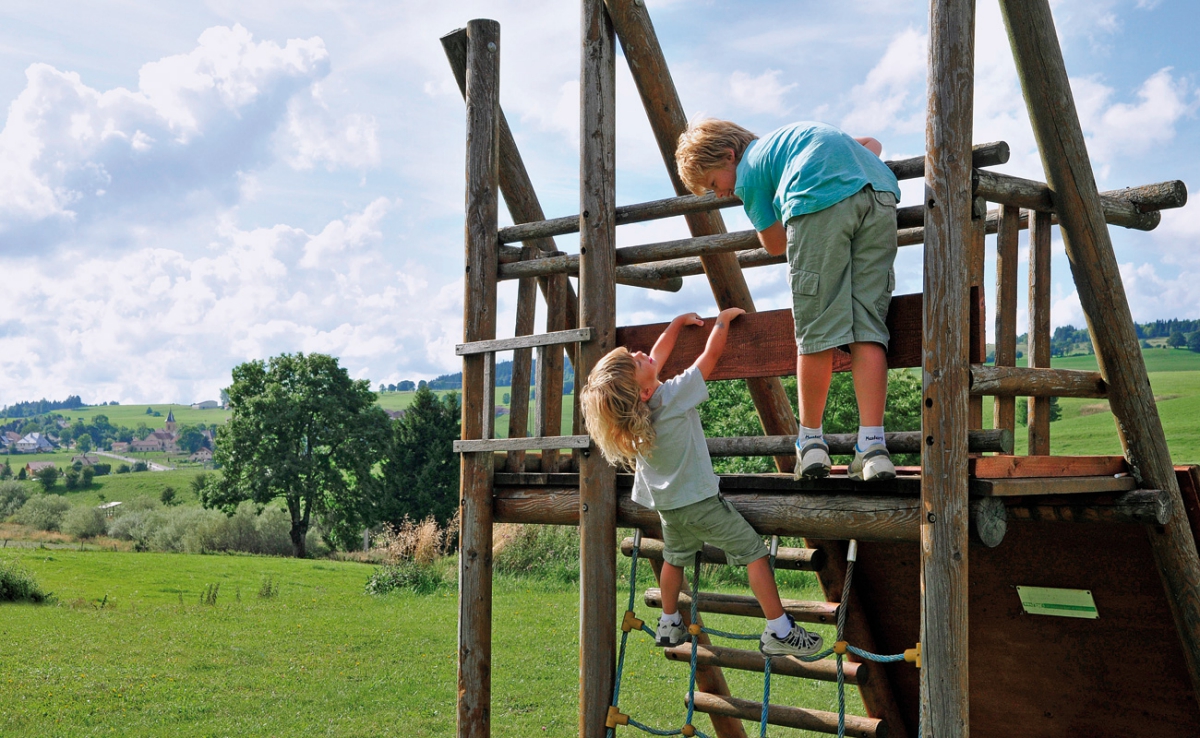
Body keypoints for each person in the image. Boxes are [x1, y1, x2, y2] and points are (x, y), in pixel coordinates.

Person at [580, 309, 823, 657]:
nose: (639, 353)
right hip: (701, 504)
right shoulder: (674, 396)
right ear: (644, 390)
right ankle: (779, 629)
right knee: (753, 553)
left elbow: (655, 359)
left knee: (674, 558)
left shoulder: (638, 416)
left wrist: (677, 325)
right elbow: (710, 356)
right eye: (634, 361)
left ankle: (668, 622)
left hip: (669, 509)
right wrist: (722, 322)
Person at [675, 119, 900, 482]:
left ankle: (811, 443)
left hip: (817, 203)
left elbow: (775, 243)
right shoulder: (792, 140)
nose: (719, 195)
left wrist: (778, 202)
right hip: (880, 197)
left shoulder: (748, 174)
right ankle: (873, 447)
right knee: (869, 330)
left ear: (729, 156)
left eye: (715, 183)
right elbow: (871, 144)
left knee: (815, 329)